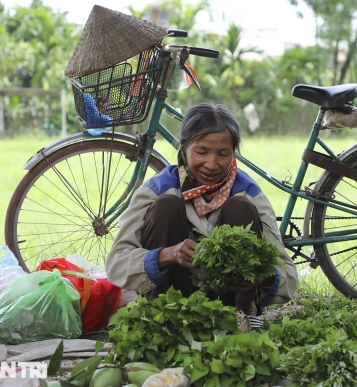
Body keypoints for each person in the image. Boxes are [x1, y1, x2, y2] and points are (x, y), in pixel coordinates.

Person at [106, 102, 298, 317]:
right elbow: (117, 263)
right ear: (183, 147)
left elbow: (288, 274)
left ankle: (244, 309)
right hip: (169, 299)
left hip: (228, 300)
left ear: (233, 154)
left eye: (223, 154)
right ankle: (159, 312)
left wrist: (263, 277)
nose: (212, 164)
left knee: (240, 208)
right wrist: (167, 255)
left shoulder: (248, 194)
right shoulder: (158, 190)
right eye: (202, 151)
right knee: (166, 206)